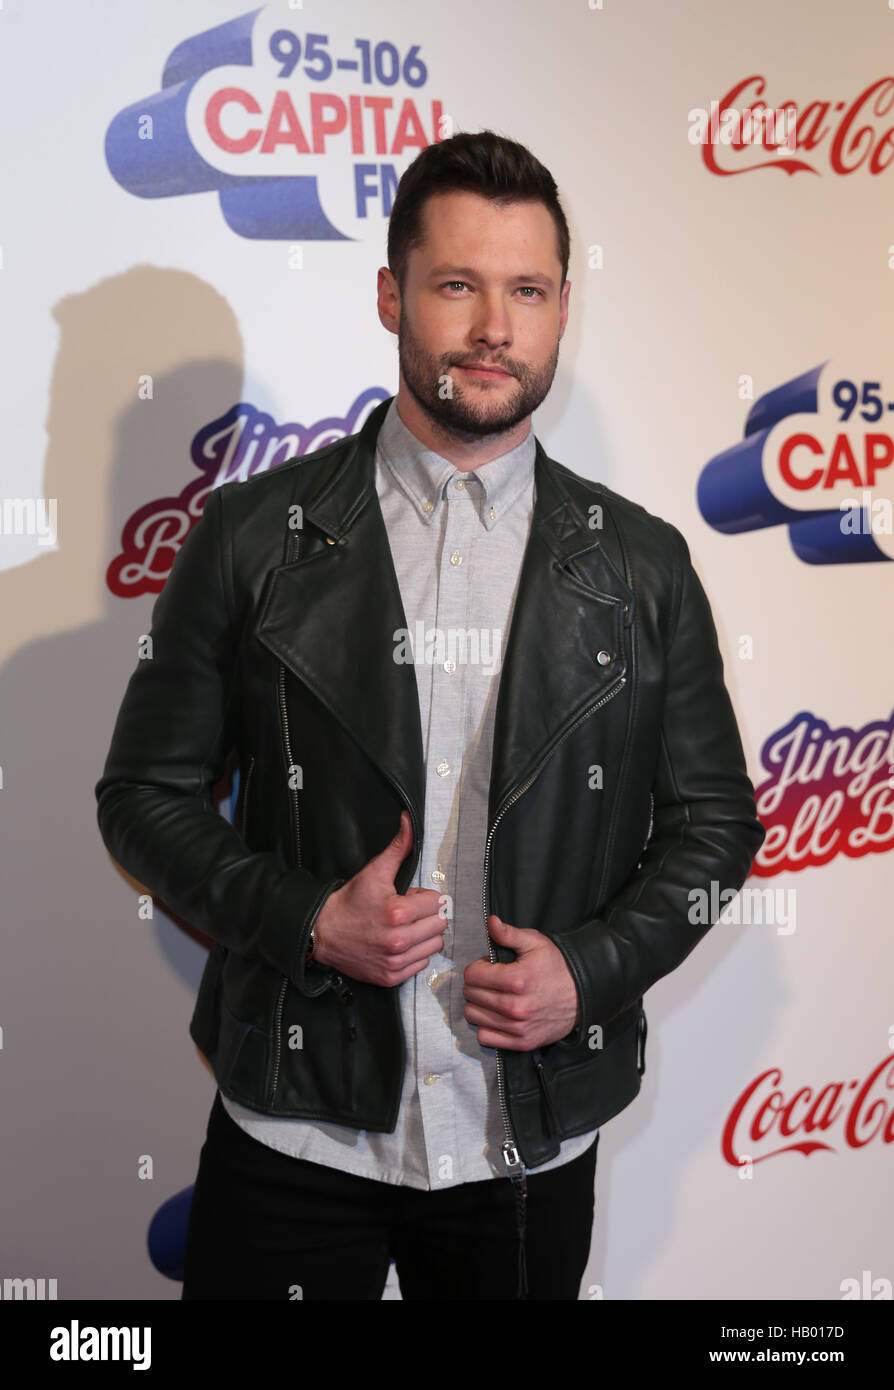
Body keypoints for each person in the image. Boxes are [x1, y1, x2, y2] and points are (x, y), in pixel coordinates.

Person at [95, 130, 765, 1301]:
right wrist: (307, 917)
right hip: (300, 1126)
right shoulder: (257, 537)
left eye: (528, 290)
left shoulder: (644, 567)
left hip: (527, 1134)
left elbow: (715, 825)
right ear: (393, 295)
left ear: (563, 309)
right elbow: (142, 797)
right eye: (459, 285)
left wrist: (591, 970)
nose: (495, 326)